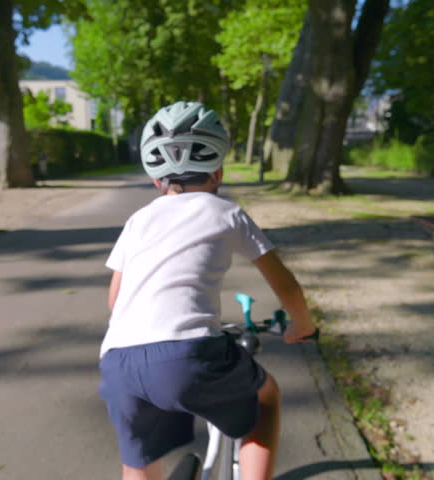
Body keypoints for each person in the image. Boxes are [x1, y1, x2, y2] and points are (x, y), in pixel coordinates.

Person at [99, 101, 317, 480]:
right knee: (265, 399)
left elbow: (114, 300)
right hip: (190, 352)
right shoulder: (225, 212)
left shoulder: (137, 220)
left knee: (139, 457)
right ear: (218, 172)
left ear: (156, 180)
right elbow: (284, 283)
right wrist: (301, 325)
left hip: (118, 361)